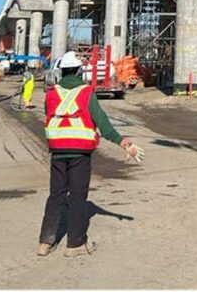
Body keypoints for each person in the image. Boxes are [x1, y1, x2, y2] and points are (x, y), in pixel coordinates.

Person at [37, 51, 144, 258]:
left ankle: (45, 242)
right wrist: (123, 142)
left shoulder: (50, 93)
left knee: (56, 195)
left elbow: (49, 116)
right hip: (80, 153)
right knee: (77, 196)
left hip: (57, 151)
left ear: (62, 72)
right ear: (79, 71)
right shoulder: (86, 93)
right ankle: (75, 244)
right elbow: (102, 122)